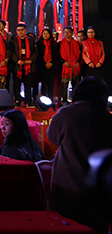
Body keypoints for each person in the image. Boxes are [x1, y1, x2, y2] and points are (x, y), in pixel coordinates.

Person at [48, 77, 112, 233]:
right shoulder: (108, 118)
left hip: (66, 185)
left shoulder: (65, 114)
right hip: (99, 187)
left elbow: (53, 138)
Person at [10, 22, 37, 106]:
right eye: (18, 30)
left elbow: (36, 52)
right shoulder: (13, 40)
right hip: (17, 65)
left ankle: (28, 100)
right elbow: (11, 52)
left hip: (28, 65)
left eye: (22, 30)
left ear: (26, 31)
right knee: (17, 84)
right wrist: (17, 60)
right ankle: (17, 100)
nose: (20, 32)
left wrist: (31, 60)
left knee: (28, 84)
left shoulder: (31, 40)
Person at [58, 27, 81, 106]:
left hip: (75, 66)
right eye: (65, 32)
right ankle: (64, 100)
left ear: (72, 33)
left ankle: (75, 100)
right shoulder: (60, 43)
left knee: (76, 84)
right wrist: (64, 62)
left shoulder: (77, 43)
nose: (67, 34)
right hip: (65, 66)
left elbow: (80, 54)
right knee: (64, 84)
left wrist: (79, 62)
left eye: (68, 32)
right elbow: (58, 55)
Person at [37, 28, 58, 99]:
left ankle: (50, 98)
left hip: (52, 66)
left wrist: (51, 63)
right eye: (44, 33)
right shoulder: (39, 44)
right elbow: (38, 55)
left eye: (47, 33)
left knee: (50, 83)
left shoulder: (54, 44)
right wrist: (45, 63)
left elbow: (56, 55)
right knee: (43, 83)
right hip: (42, 65)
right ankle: (43, 99)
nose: (45, 35)